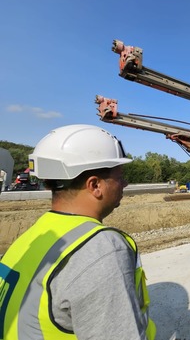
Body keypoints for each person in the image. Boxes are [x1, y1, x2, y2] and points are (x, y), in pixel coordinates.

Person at [0, 124, 156, 340]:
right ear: (95, 185)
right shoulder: (100, 250)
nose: (125, 183)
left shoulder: (34, 237)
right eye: (120, 176)